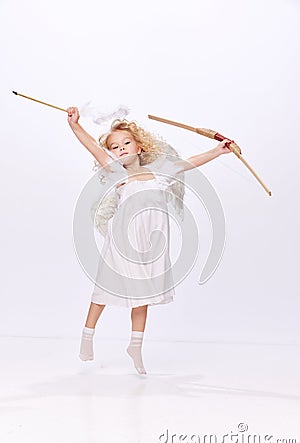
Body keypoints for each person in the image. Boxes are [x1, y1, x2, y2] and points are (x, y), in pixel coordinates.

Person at [67, 106, 233, 375]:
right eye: (115, 147)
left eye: (126, 143)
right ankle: (87, 337)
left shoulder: (162, 172)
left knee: (142, 298)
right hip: (123, 242)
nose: (120, 149)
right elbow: (91, 147)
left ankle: (135, 347)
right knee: (104, 289)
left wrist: (218, 150)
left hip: (150, 246)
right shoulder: (117, 174)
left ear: (140, 147)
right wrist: (75, 124)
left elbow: (190, 162)